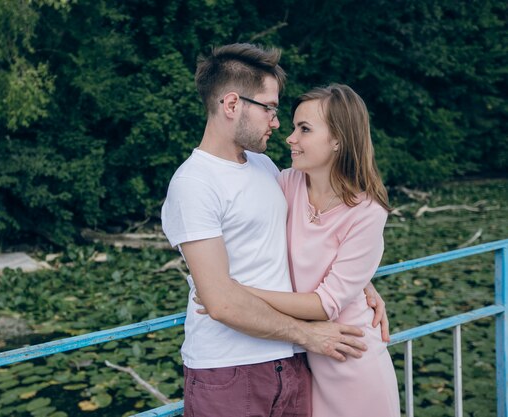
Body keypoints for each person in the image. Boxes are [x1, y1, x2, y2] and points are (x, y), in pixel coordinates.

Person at [161, 43, 388, 417]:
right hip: (230, 368)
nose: (277, 123)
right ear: (232, 105)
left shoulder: (267, 168)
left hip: (293, 365)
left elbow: (313, 237)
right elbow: (220, 302)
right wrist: (309, 334)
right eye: (269, 108)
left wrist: (359, 282)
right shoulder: (194, 184)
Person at [231, 84, 400, 416]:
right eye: (293, 127)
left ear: (337, 139)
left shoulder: (367, 211)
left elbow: (325, 305)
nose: (290, 138)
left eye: (304, 129)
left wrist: (239, 294)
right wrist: (360, 282)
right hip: (307, 362)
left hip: (352, 362)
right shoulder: (286, 184)